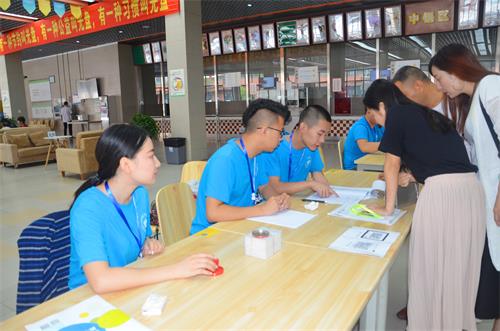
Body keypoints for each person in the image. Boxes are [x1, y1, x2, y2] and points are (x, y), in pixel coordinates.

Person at [364, 79, 485, 331]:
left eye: (375, 114)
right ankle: (451, 322)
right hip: (471, 192)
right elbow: (439, 158)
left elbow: (391, 164)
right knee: (456, 265)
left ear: (383, 106)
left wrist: (387, 208)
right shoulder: (427, 114)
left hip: (442, 194)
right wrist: (414, 176)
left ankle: (430, 324)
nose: (378, 121)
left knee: (429, 265)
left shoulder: (397, 115)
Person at [69, 124, 218, 293]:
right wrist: (175, 270)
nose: (158, 163)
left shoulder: (139, 195)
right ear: (126, 164)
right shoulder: (88, 208)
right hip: (88, 298)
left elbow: (137, 235)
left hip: (127, 285)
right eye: (151, 156)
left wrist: (147, 243)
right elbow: (101, 281)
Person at [429, 43, 500, 330]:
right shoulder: (473, 98)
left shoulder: (491, 87)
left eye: (438, 77)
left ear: (455, 71)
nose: (438, 84)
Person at [190, 99, 291, 235]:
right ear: (264, 130)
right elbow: (213, 213)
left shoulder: (258, 155)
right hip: (211, 234)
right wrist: (262, 210)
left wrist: (279, 201)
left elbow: (264, 187)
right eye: (281, 132)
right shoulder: (225, 159)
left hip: (240, 226)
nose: (281, 138)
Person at [260, 105, 335, 197]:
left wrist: (330, 192)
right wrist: (310, 184)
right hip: (273, 203)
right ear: (303, 127)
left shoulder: (312, 147)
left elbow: (318, 175)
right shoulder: (274, 147)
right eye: (319, 134)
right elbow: (275, 187)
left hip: (296, 200)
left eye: (325, 135)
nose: (322, 140)